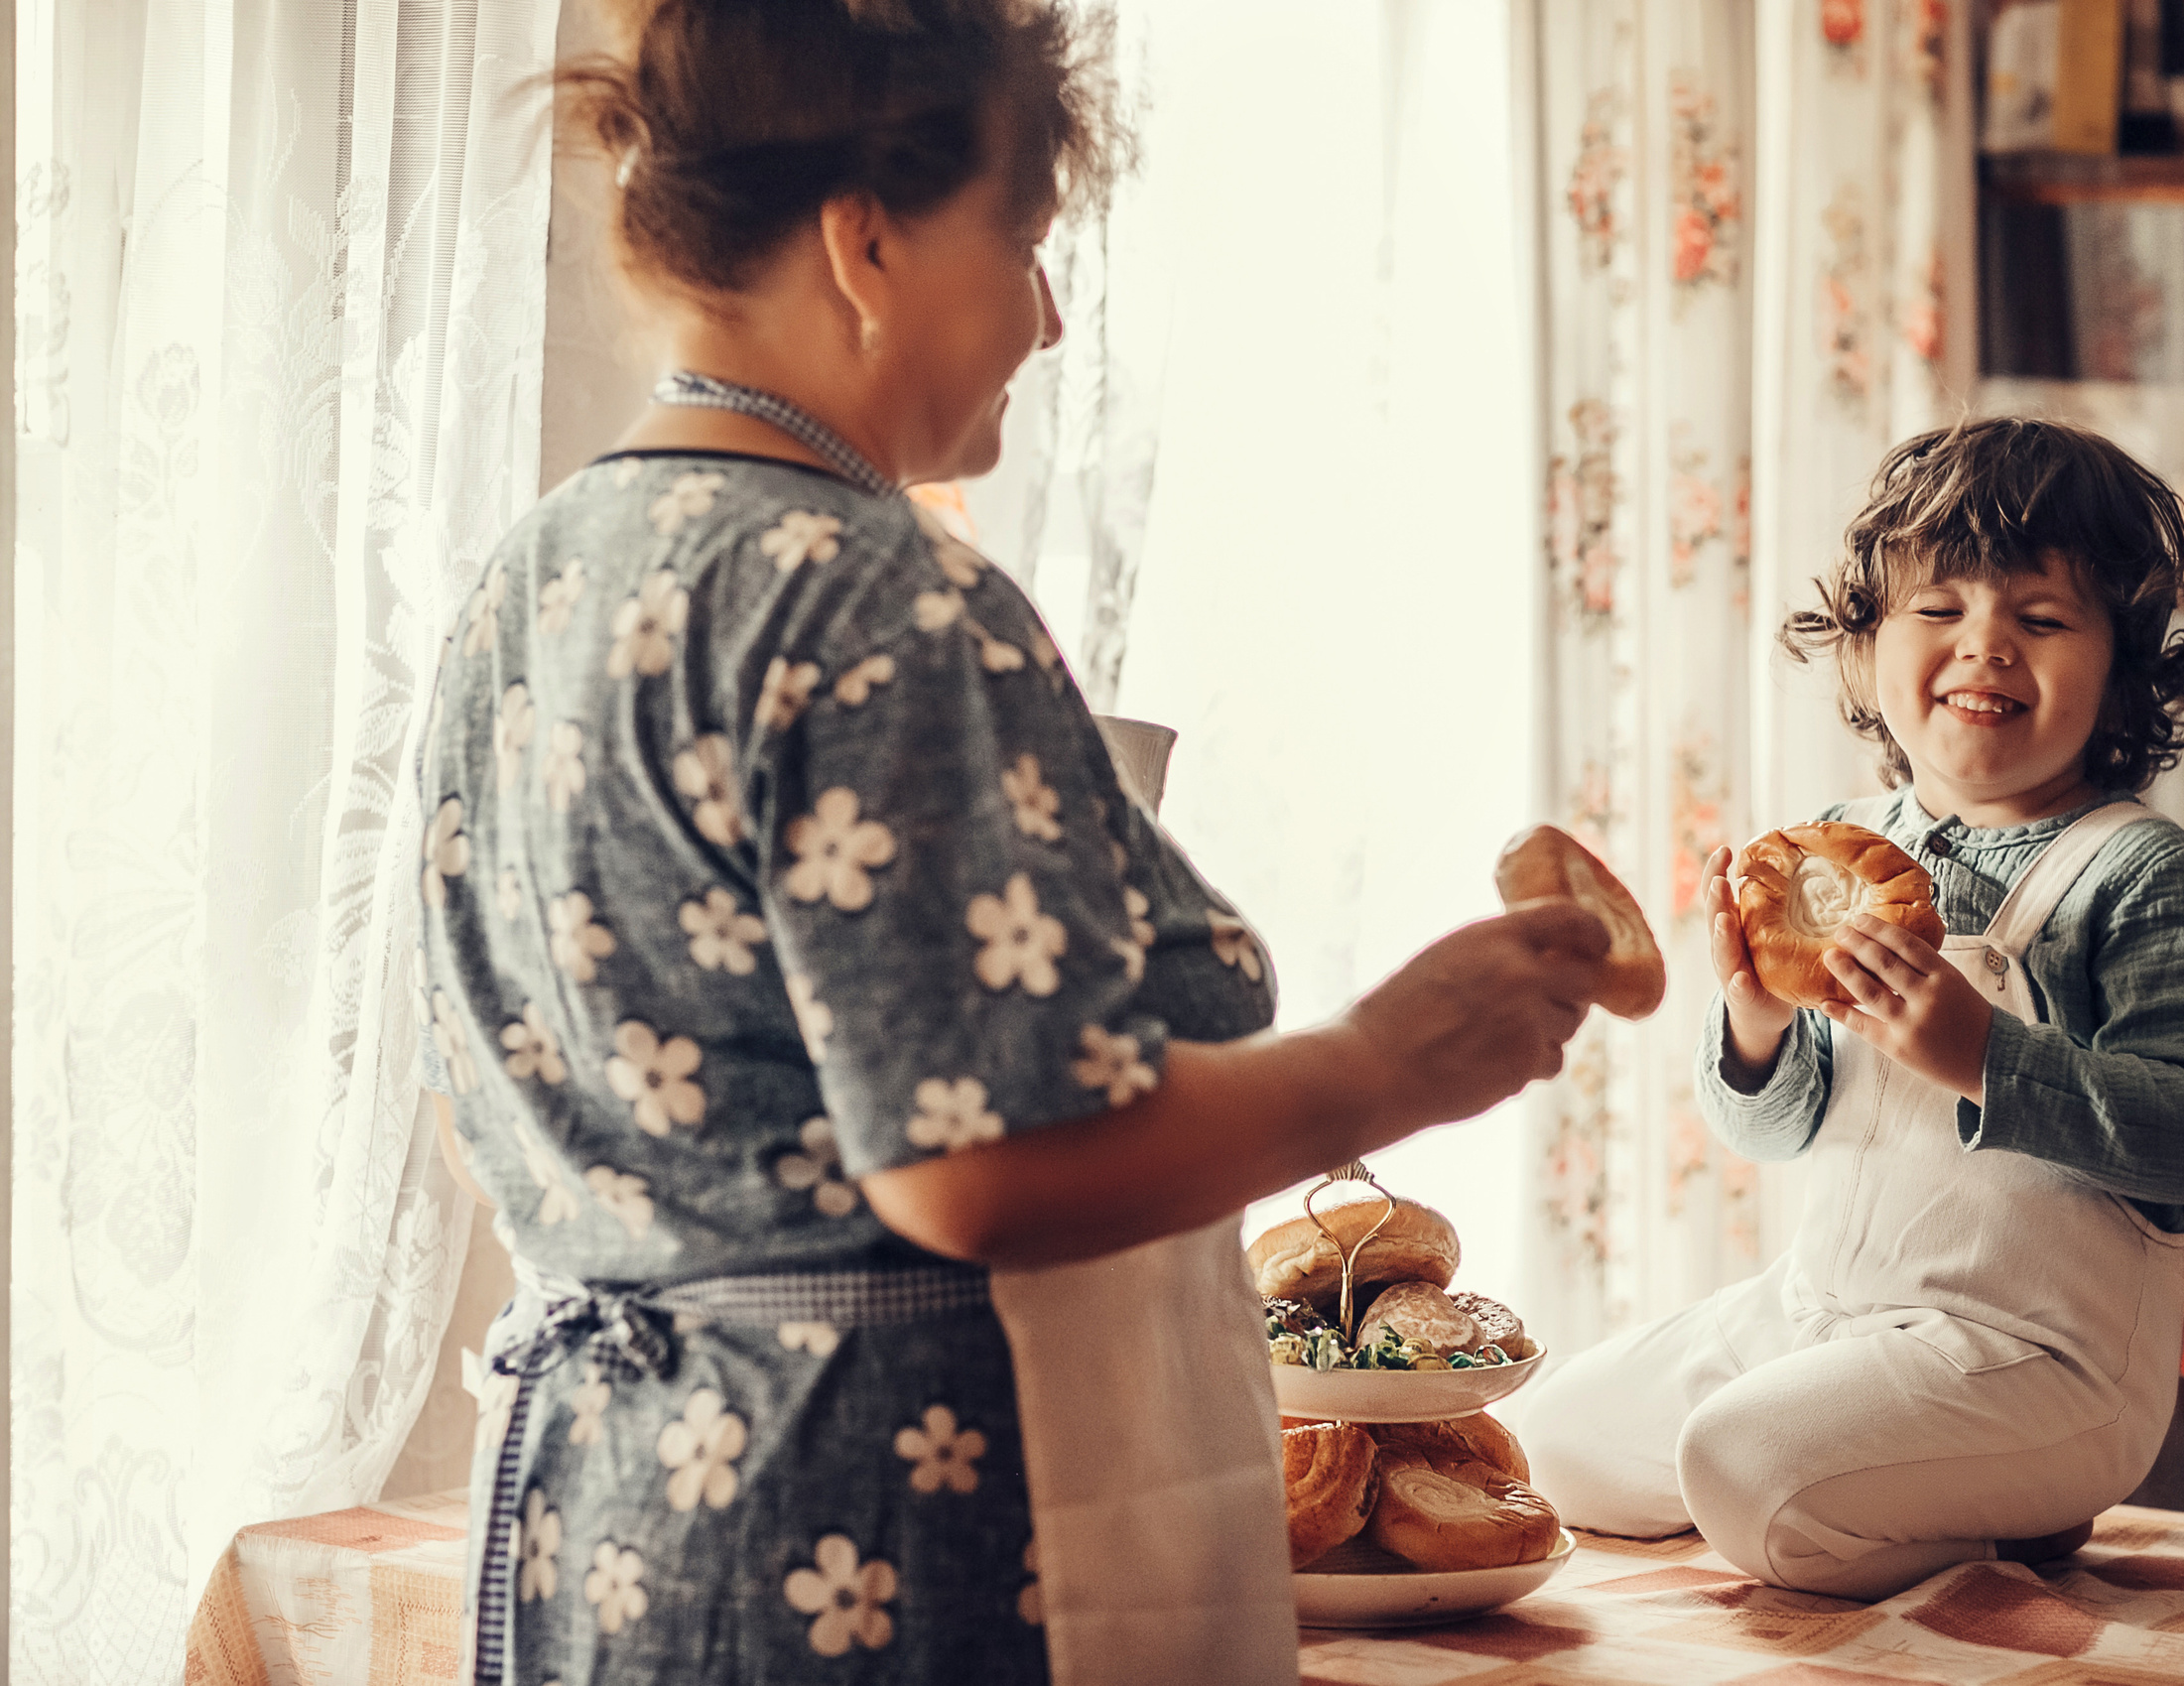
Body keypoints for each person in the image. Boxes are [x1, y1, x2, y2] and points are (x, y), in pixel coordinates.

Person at [414, 3, 1609, 1682]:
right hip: (873, 1532)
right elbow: (972, 1161)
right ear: (867, 244)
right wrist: (1385, 1064)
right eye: (1027, 242)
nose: (1050, 318)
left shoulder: (536, 572)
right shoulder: (871, 590)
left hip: (613, 1525)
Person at [1506, 417, 2184, 1601]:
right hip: (1819, 1316)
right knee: (1546, 1445)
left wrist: (1983, 1055)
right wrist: (1755, 1025)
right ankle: (1883, 1481)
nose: (1986, 644)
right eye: (1940, 607)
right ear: (1862, 652)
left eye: (2041, 619)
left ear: (2123, 668)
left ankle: (2007, 1515)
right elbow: (1771, 1127)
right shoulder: (1839, 850)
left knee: (1743, 1471)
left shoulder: (2141, 873)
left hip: (2043, 1361)